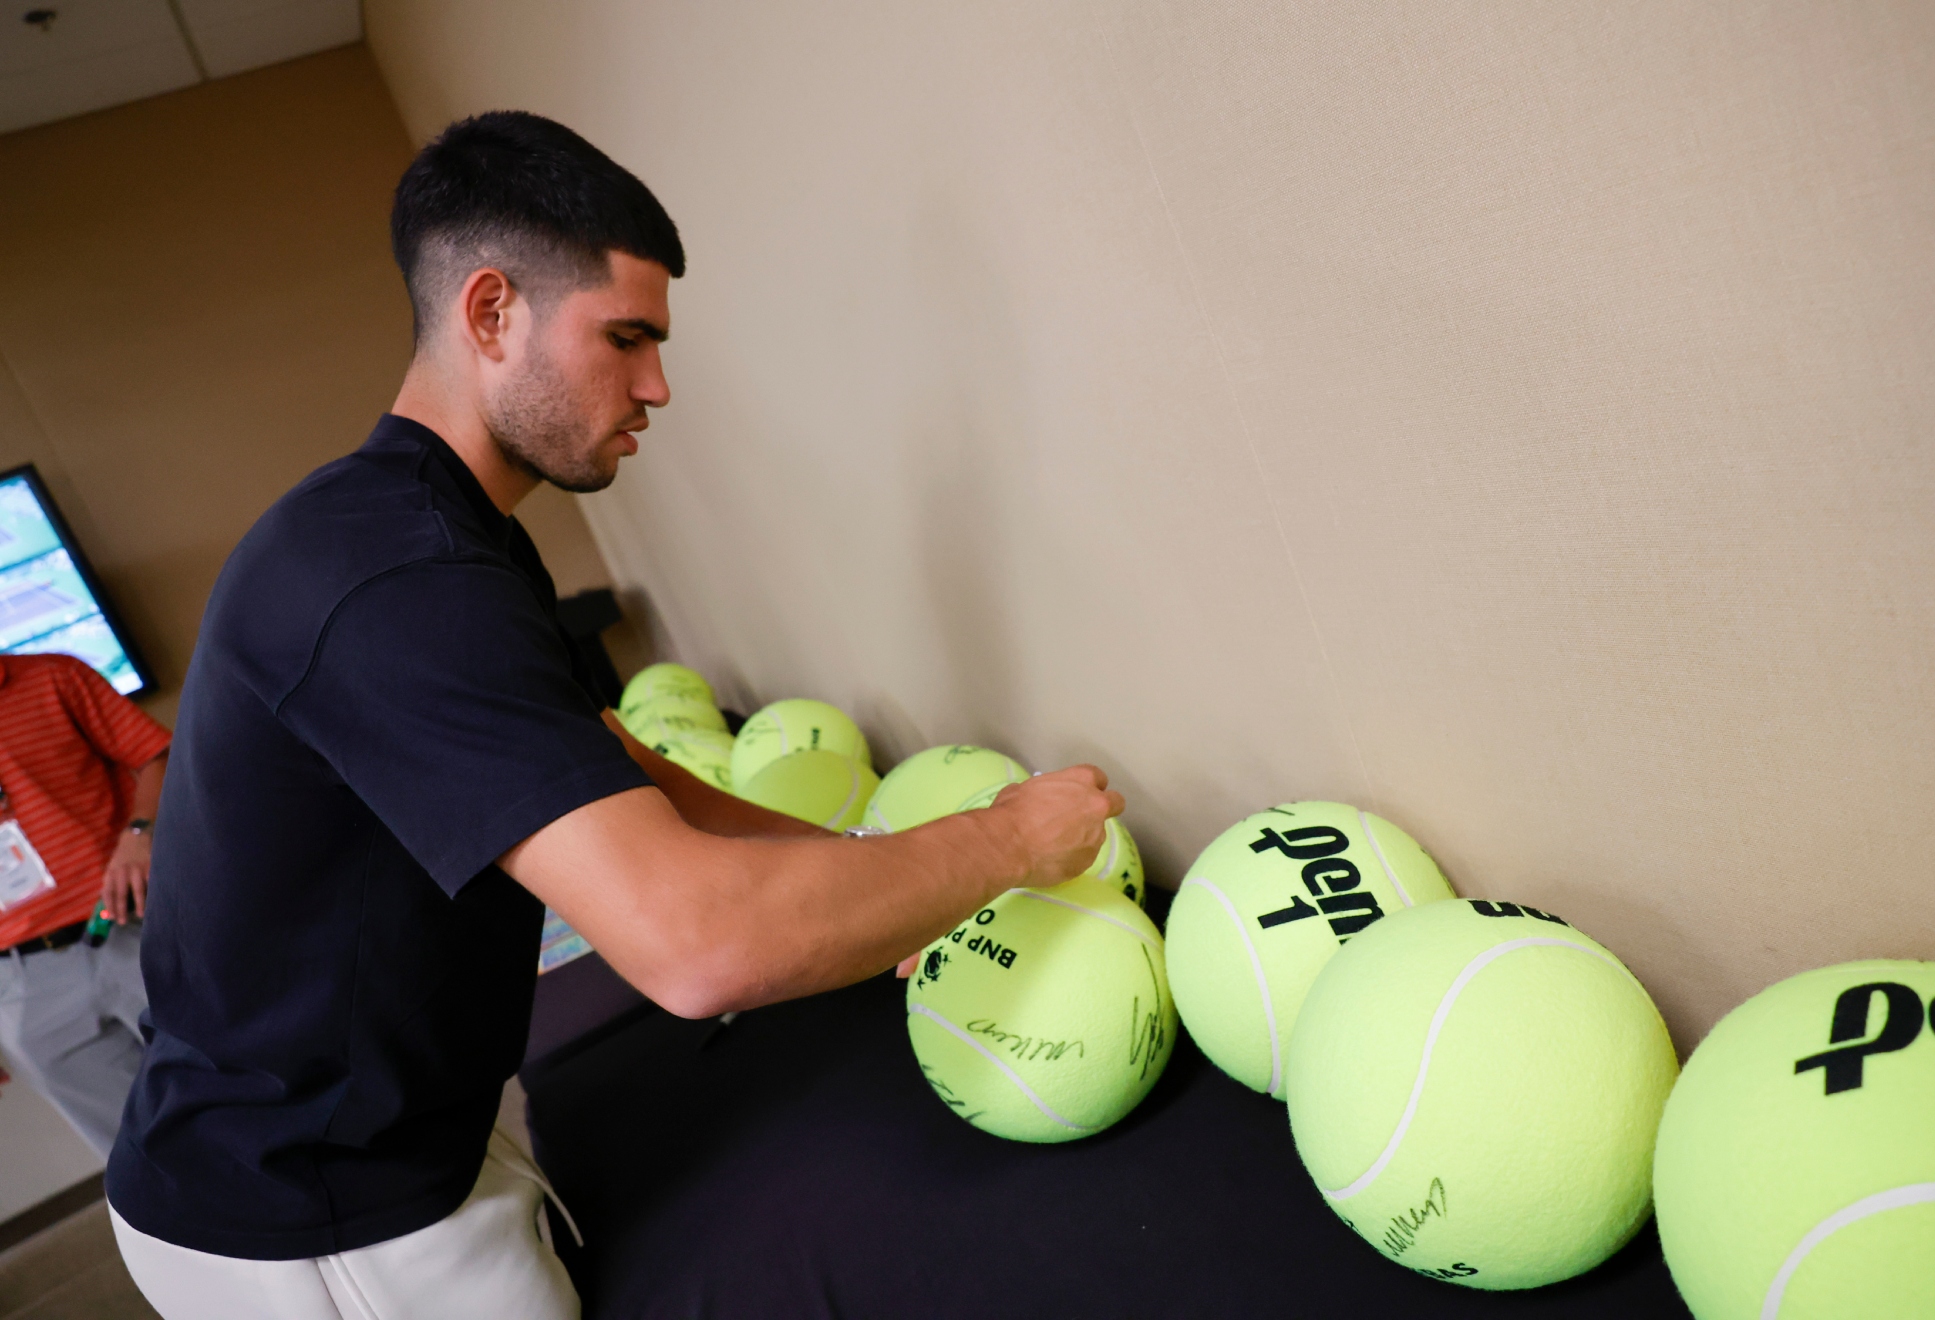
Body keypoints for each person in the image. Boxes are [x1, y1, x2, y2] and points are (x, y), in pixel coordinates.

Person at [105, 112, 1121, 1319]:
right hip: (308, 1217)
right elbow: (699, 951)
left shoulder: (444, 534)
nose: (657, 387)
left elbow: (626, 765)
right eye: (625, 338)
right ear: (492, 313)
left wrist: (874, 875)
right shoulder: (396, 581)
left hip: (398, 1116)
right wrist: (1007, 844)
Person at [0, 650, 170, 1156]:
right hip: (21, 984)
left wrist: (139, 833)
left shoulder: (54, 676)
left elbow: (156, 755)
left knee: (254, 1092)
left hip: (127, 925)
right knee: (141, 1158)